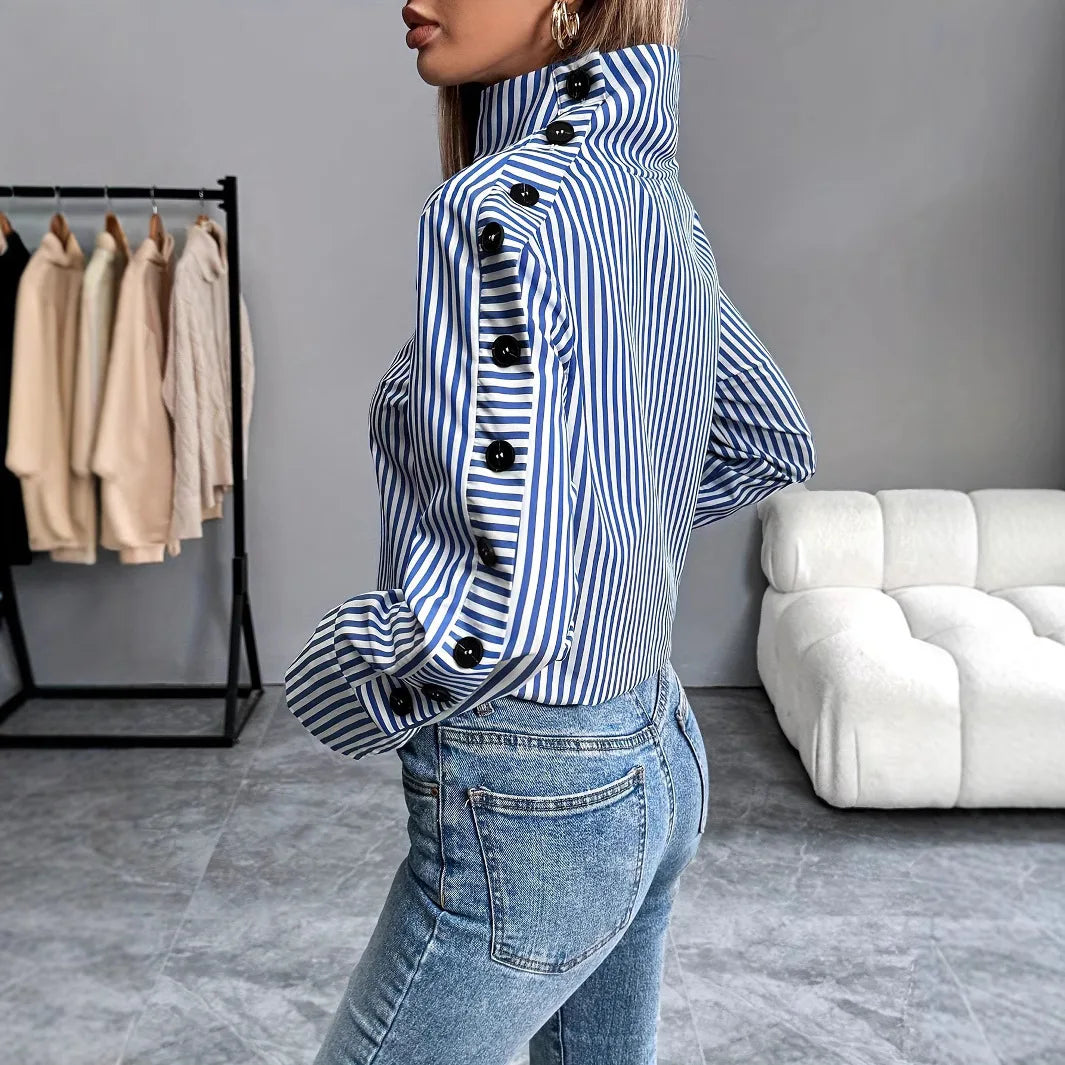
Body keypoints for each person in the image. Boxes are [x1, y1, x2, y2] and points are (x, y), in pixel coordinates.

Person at [284, 1, 817, 1061]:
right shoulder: (647, 192)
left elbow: (496, 619)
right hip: (654, 746)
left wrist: (344, 675)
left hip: (535, 795)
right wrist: (607, 547)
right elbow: (771, 438)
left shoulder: (495, 209)